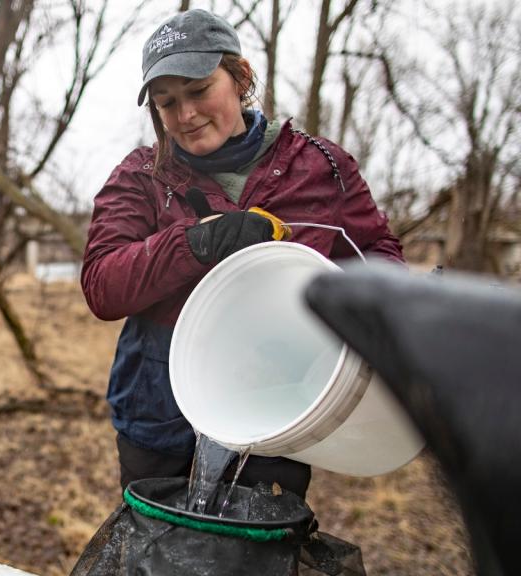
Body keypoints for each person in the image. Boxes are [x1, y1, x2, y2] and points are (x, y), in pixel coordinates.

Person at [80, 9, 404, 495]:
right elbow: (102, 286)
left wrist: (356, 313)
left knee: (257, 549)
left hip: (275, 405)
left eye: (198, 90)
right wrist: (194, 243)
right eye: (167, 102)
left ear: (240, 77)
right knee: (156, 555)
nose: (185, 115)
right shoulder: (142, 176)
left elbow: (376, 253)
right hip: (157, 410)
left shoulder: (320, 166)